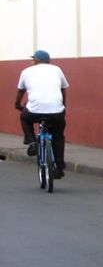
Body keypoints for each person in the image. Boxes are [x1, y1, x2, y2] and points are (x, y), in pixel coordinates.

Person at [15, 50, 69, 178]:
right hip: (56, 111)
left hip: (34, 111)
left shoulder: (26, 71)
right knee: (58, 137)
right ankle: (59, 167)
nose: (32, 61)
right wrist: (63, 105)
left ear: (37, 60)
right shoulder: (57, 69)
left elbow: (20, 91)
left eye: (33, 59)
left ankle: (31, 142)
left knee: (24, 118)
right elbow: (62, 89)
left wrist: (17, 104)